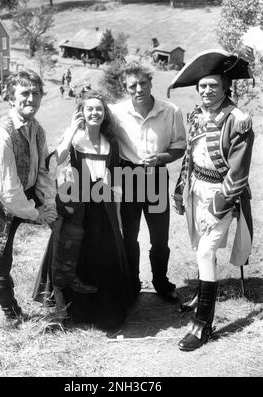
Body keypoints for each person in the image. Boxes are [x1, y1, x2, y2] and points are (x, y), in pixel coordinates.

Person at [168, 49, 254, 351]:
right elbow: (190, 155)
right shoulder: (196, 114)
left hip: (222, 194)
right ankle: (202, 292)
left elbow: (238, 173)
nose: (206, 91)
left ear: (225, 88)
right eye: (202, 86)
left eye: (213, 86)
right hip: (196, 188)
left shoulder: (239, 120)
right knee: (199, 246)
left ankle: (202, 323)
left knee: (205, 252)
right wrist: (181, 188)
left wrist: (219, 207)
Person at [33, 90, 134, 331]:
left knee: (106, 253)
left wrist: (116, 208)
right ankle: (75, 309)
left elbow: (116, 177)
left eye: (99, 109)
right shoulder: (75, 139)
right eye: (89, 109)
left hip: (104, 203)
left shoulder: (111, 142)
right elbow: (57, 160)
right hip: (78, 203)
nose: (94, 113)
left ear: (104, 114)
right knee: (73, 253)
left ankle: (104, 309)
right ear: (82, 113)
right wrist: (70, 130)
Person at [0, 69, 58, 328]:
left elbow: (43, 170)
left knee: (63, 224)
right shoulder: (0, 135)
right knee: (2, 260)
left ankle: (54, 290)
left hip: (25, 194)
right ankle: (9, 311)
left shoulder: (36, 129)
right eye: (25, 93)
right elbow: (8, 191)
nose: (31, 99)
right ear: (11, 99)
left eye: (36, 93)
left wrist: (48, 204)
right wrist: (36, 214)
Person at [109, 62, 186, 302]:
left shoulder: (171, 111)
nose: (139, 89)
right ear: (126, 87)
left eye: (143, 83)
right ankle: (132, 284)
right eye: (133, 85)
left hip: (156, 177)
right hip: (128, 177)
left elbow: (180, 147)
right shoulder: (115, 112)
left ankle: (161, 283)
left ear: (151, 82)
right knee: (128, 236)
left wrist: (161, 157)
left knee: (159, 238)